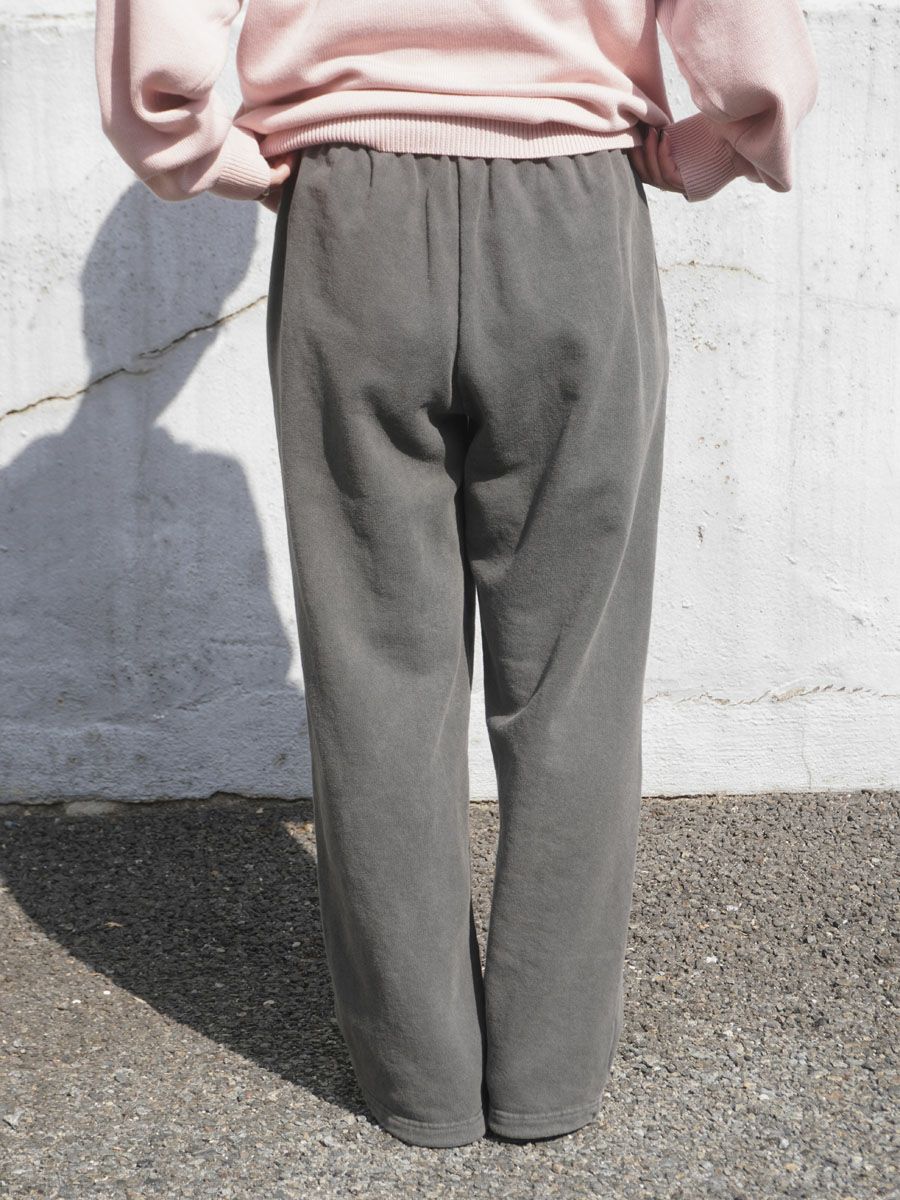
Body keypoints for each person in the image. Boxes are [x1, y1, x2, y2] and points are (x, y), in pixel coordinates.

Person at [93, 0, 819, 1149]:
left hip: (351, 220)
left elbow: (159, 60)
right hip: (574, 212)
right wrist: (706, 145)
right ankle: (547, 1070)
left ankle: (418, 1079)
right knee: (574, 676)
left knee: (380, 672)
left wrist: (217, 152)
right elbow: (755, 60)